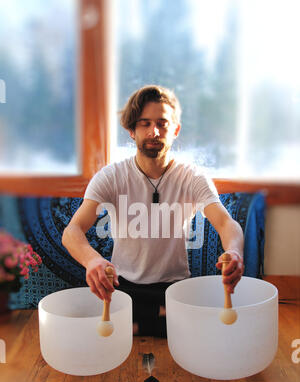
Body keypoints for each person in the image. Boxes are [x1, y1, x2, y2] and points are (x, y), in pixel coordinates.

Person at [62, 85, 244, 337]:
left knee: (201, 321)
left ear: (176, 130)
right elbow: (72, 231)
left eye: (162, 123)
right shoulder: (111, 176)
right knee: (89, 317)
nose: (154, 131)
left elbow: (225, 223)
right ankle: (158, 319)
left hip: (175, 288)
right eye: (144, 123)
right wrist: (92, 261)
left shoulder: (192, 177)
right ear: (131, 131)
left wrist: (234, 251)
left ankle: (139, 325)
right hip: (122, 287)